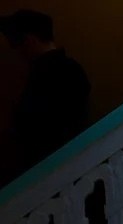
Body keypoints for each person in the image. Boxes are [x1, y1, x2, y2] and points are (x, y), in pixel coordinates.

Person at [0, 10, 90, 173]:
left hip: (53, 169)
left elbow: (41, 127)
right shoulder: (68, 69)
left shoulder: (50, 73)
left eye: (16, 44)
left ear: (30, 41)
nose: (17, 52)